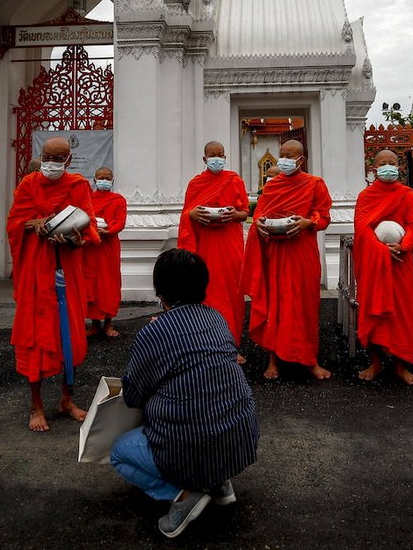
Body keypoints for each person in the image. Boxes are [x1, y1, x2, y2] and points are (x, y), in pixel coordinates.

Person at [111, 248, 259, 538]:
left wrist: (156, 340)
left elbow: (132, 396)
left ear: (160, 292)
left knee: (119, 452)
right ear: (203, 287)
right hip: (241, 440)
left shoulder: (153, 334)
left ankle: (183, 495)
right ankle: (218, 483)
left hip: (190, 447)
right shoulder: (217, 319)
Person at [6, 136, 99, 431]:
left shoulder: (78, 186)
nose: (52, 164)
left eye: (58, 159)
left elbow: (89, 226)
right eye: (48, 157)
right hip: (36, 272)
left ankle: (66, 399)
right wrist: (36, 224)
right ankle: (36, 406)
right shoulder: (28, 185)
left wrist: (73, 239)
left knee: (68, 335)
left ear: (68, 160)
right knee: (34, 339)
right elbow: (14, 223)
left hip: (66, 272)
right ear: (40, 155)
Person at [241, 139, 333, 380]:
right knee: (276, 305)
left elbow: (323, 217)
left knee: (304, 306)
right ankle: (273, 360)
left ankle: (309, 360)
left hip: (302, 253)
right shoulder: (272, 187)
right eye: (282, 154)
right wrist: (259, 225)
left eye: (289, 156)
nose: (284, 159)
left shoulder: (314, 184)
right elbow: (260, 215)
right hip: (277, 253)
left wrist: (307, 222)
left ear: (300, 160)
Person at [353, 149, 413, 385]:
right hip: (375, 263)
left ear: (399, 167)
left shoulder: (407, 195)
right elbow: (362, 228)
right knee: (374, 311)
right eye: (383, 163)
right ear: (374, 168)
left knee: (403, 313)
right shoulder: (366, 196)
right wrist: (380, 250)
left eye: (392, 163)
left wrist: (404, 245)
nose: (388, 166)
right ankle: (375, 363)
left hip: (399, 261)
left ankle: (401, 365)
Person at [178, 141, 250, 361]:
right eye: (212, 155)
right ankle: (206, 344)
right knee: (206, 293)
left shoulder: (233, 180)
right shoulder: (196, 183)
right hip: (205, 246)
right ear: (204, 159)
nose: (216, 159)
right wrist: (192, 215)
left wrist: (233, 215)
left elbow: (245, 212)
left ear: (225, 157)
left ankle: (231, 345)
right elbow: (187, 212)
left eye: (220, 155)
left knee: (231, 294)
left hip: (229, 246)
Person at [84, 166, 126, 338]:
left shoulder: (118, 200)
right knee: (92, 284)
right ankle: (94, 325)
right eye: (101, 177)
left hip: (108, 247)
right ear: (94, 180)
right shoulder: (88, 200)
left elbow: (120, 221)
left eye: (108, 178)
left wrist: (108, 231)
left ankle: (108, 324)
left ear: (112, 180)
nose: (104, 180)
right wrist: (93, 231)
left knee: (109, 284)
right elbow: (84, 218)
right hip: (91, 247)